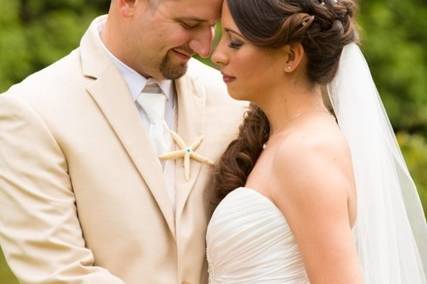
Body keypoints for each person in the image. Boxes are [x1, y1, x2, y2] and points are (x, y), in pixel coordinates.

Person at [0, 0, 246, 283]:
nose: (205, 48)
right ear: (129, 3)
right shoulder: (30, 111)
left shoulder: (234, 98)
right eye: (189, 25)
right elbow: (59, 272)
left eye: (211, 26)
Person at [206, 0, 427, 283]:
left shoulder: (304, 155)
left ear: (291, 57)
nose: (217, 55)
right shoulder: (284, 142)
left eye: (235, 42)